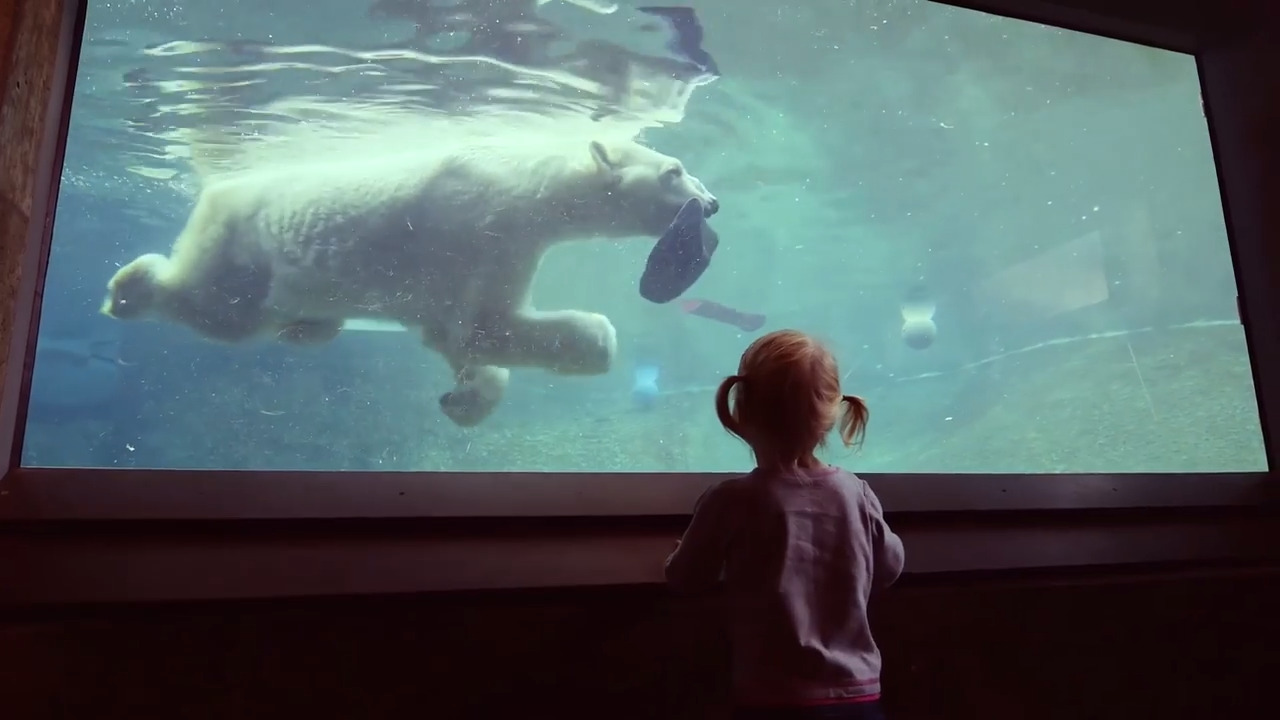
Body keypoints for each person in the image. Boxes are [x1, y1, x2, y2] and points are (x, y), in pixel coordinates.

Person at [664, 329, 905, 720]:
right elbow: (890, 567)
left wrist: (678, 552)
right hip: (859, 698)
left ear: (741, 408)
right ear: (832, 412)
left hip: (773, 698)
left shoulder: (732, 499)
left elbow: (686, 577)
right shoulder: (857, 493)